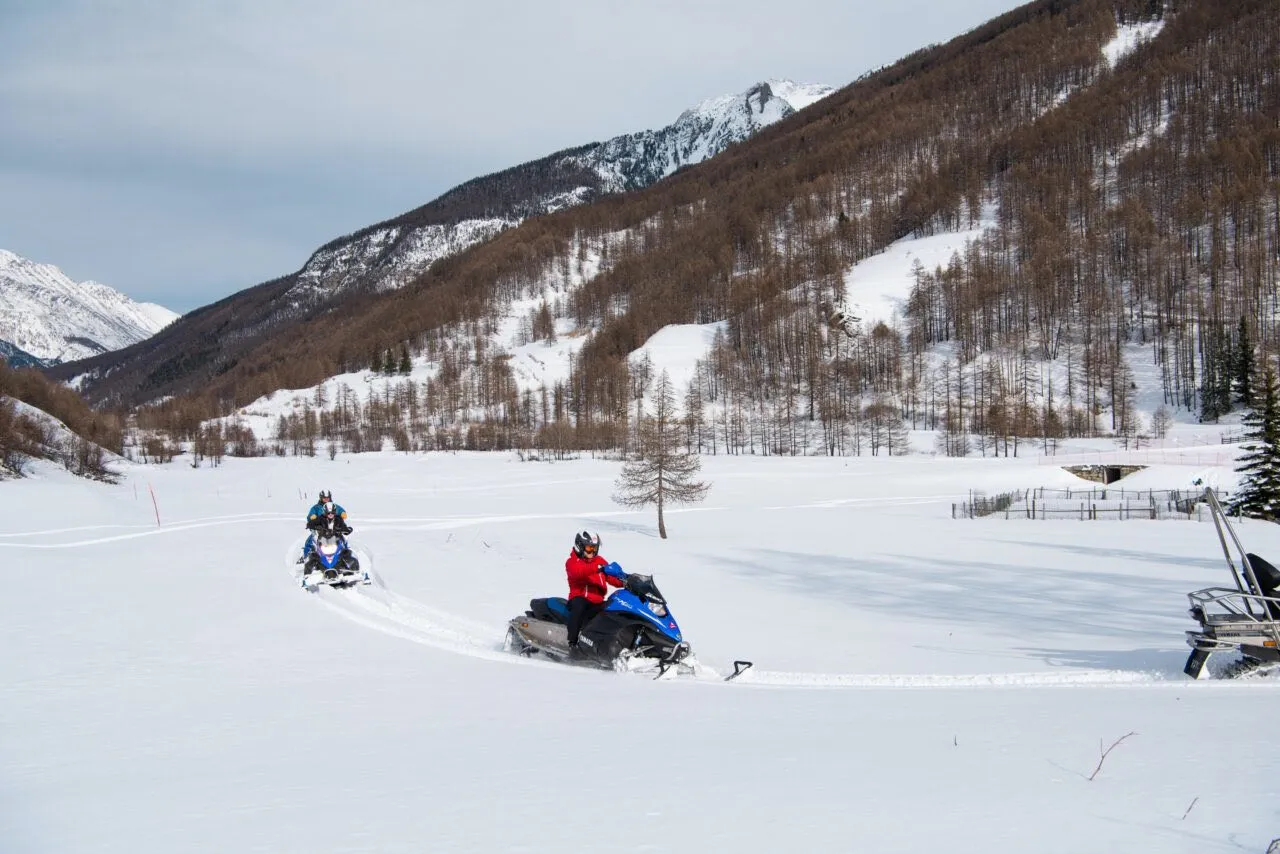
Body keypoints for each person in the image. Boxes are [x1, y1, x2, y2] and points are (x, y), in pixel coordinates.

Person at [564, 531, 626, 655]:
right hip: (580, 597)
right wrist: (599, 568)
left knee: (615, 611)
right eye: (589, 547)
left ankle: (610, 645)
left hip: (597, 601)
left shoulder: (600, 561)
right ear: (580, 546)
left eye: (595, 548)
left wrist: (625, 580)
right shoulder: (572, 562)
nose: (592, 551)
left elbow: (611, 578)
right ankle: (572, 644)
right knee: (579, 607)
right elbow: (578, 572)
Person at [298, 490, 349, 563]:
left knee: (343, 540)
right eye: (324, 498)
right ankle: (306, 556)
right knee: (311, 540)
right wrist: (312, 518)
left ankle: (346, 556)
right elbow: (311, 514)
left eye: (327, 498)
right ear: (321, 498)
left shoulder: (334, 506)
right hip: (319, 528)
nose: (326, 499)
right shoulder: (316, 507)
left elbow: (340, 510)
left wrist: (342, 513)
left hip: (334, 530)